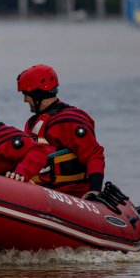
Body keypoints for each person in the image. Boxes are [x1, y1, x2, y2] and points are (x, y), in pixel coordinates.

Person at [16, 64, 105, 198]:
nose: (24, 100)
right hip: (41, 192)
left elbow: (93, 154)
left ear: (37, 93)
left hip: (70, 195)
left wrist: (95, 189)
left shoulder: (68, 120)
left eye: (26, 94)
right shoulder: (32, 123)